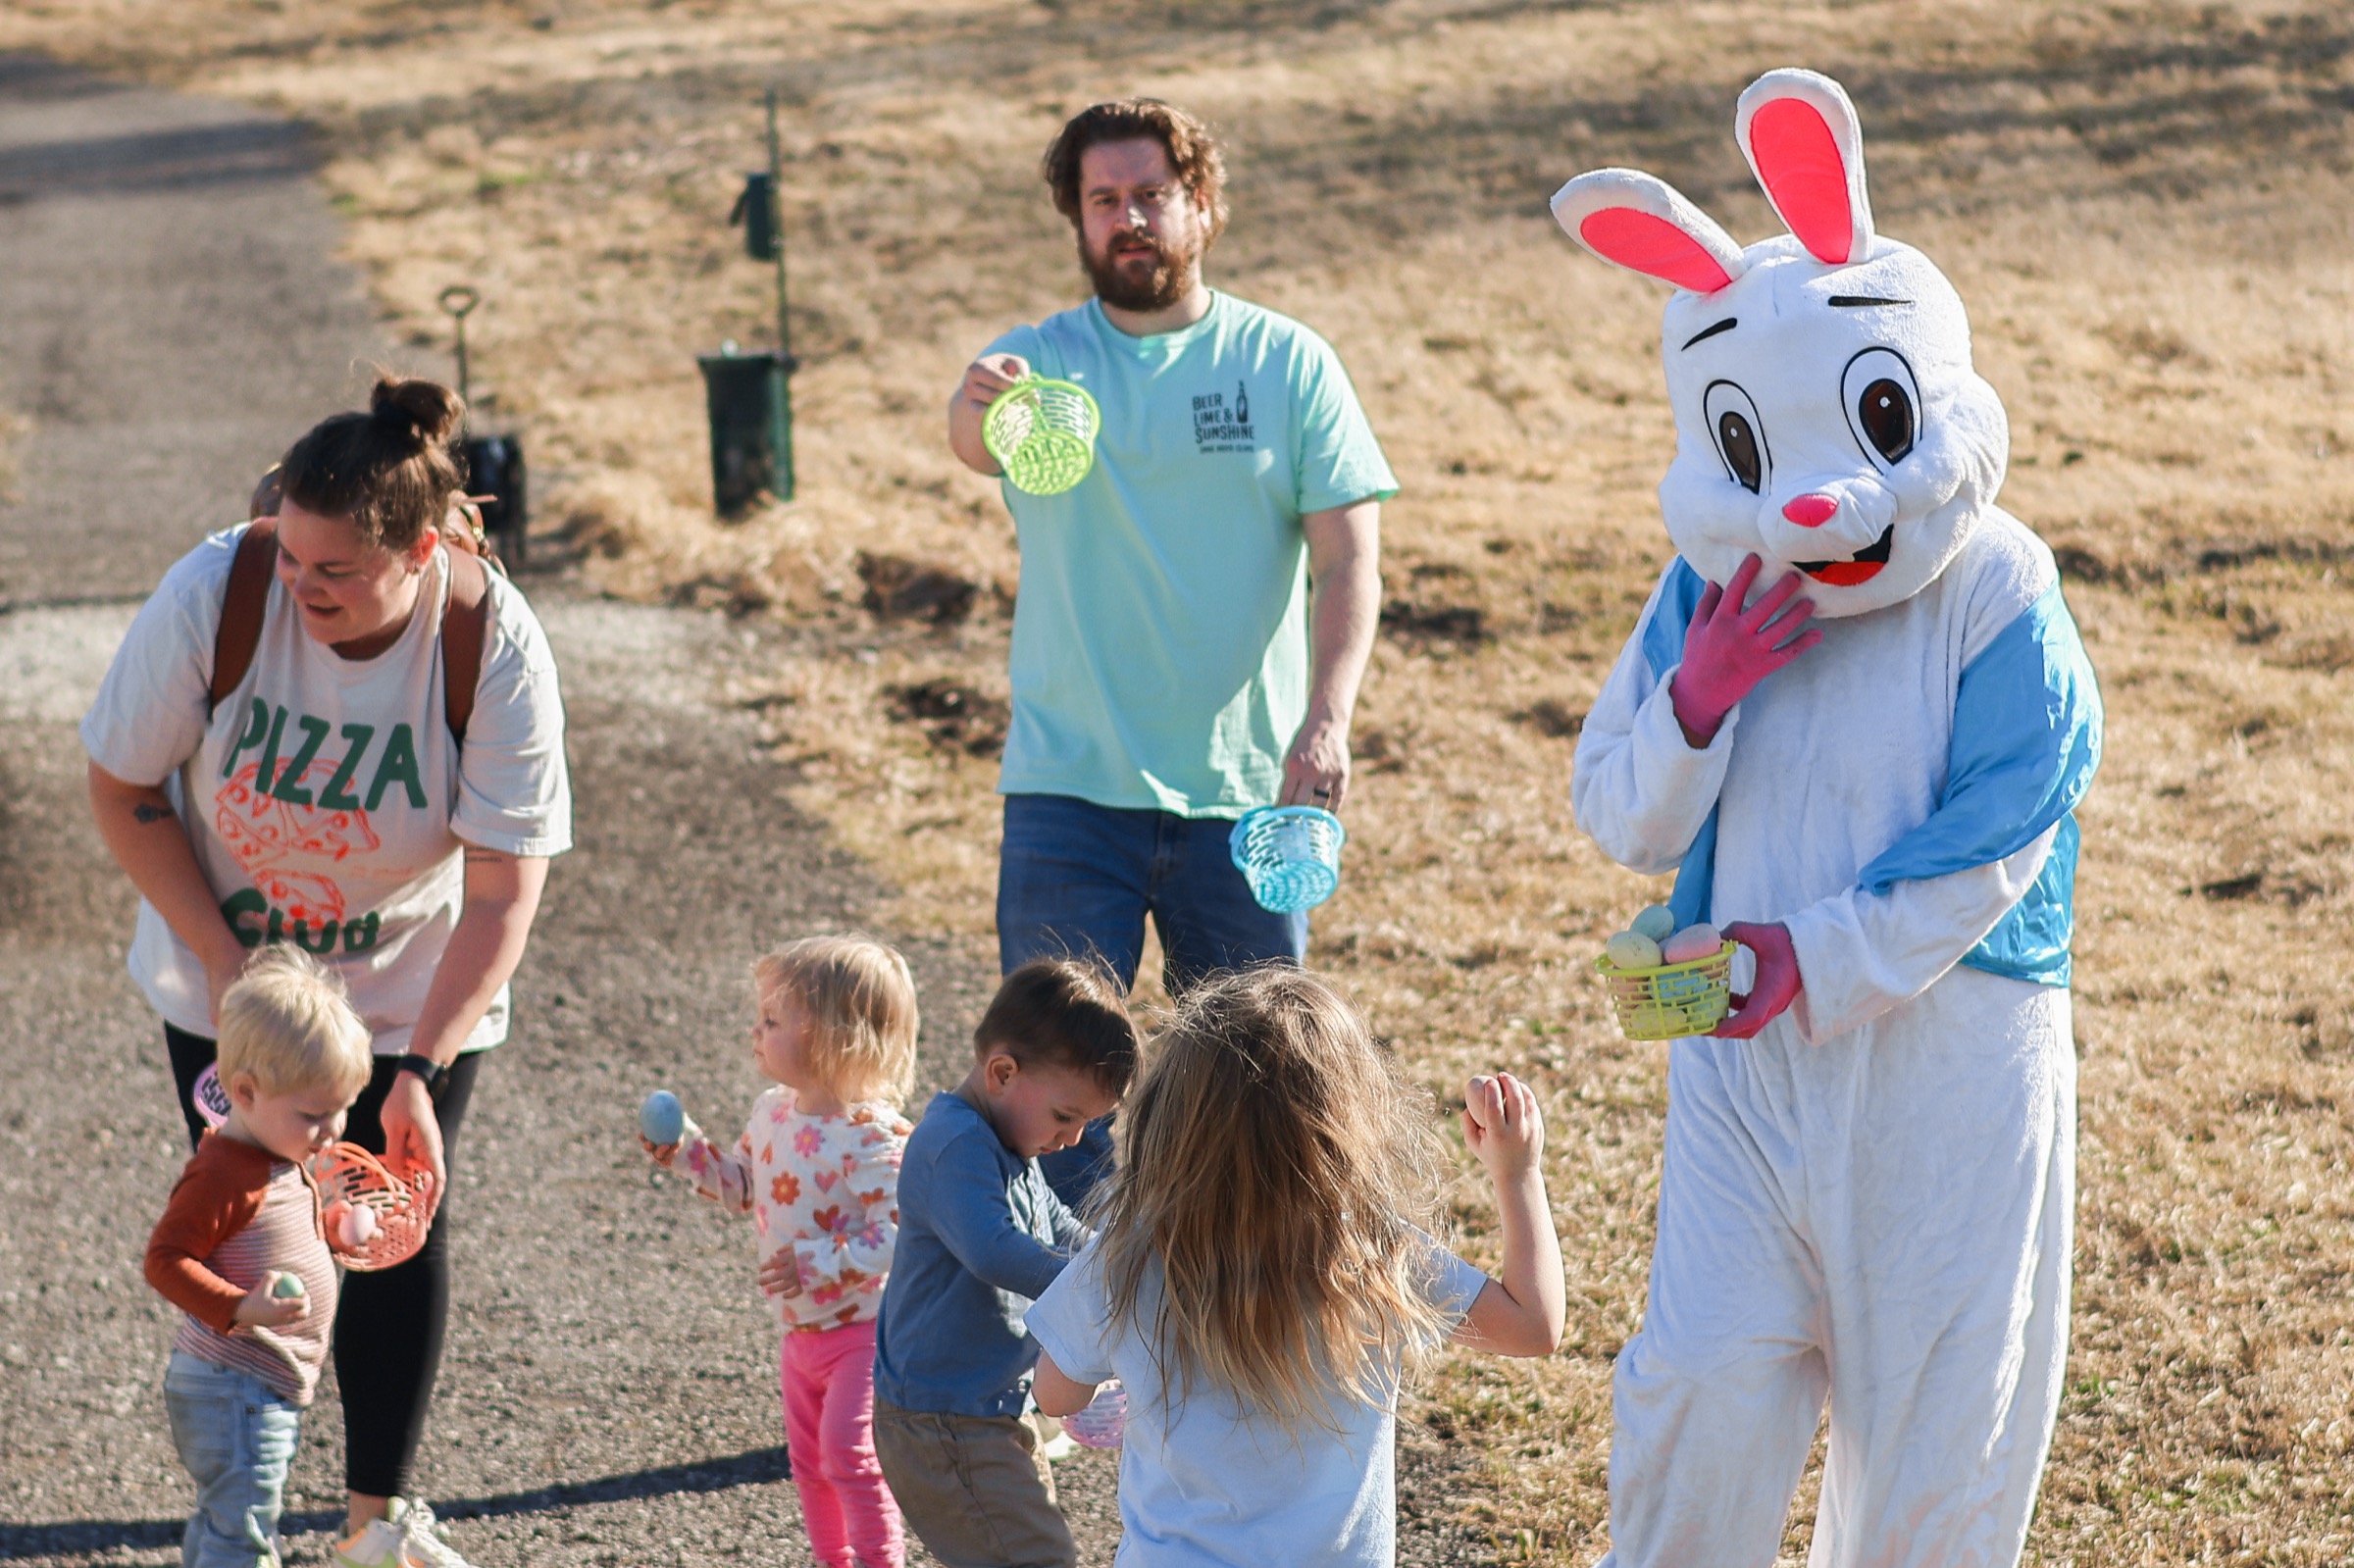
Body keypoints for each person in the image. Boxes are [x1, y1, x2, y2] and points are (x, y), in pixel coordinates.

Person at [83, 374, 573, 1568]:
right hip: (233, 977)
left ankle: (373, 1526)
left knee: (390, 1225)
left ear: (418, 550)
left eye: (334, 572)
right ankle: (240, 1511)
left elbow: (506, 884)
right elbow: (123, 786)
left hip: (407, 983)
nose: (302, 587)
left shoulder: (489, 640)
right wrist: (226, 967)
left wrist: (419, 1070)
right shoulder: (220, 589)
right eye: (290, 558)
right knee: (260, 1231)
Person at [947, 98, 1397, 1200]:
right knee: (1051, 1106)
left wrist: (1328, 719)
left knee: (1259, 1101)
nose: (1129, 219)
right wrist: (978, 401)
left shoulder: (1287, 363)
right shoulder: (1040, 365)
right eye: (1105, 200)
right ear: (1078, 218)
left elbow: (1350, 564)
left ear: (1201, 204)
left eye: (1152, 194)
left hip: (1247, 797)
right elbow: (971, 437)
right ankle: (1081, 1352)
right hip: (1068, 789)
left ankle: (1247, 1348)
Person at [1026, 966, 1565, 1567]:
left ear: (1169, 1121)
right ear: (1347, 1127)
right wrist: (1516, 1173)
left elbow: (1054, 1395)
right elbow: (1532, 1326)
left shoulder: (1131, 1255)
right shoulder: (1370, 1252)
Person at [642, 936, 921, 1568]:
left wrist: (818, 1262)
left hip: (864, 1331)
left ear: (831, 1038)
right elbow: (744, 1187)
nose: (755, 1030)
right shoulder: (773, 1113)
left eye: (772, 1020)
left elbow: (903, 1234)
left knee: (850, 1456)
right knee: (808, 1464)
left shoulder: (871, 1137)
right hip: (800, 1333)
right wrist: (688, 1152)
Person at [870, 958, 1141, 1568]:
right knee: (1035, 1557)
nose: (1072, 1140)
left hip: (985, 1407)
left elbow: (1056, 1226)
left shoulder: (1011, 1143)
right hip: (942, 1418)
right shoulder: (955, 1144)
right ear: (1002, 1072)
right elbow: (993, 1250)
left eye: (1088, 1125)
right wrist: (1095, 1288)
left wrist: (1117, 1258)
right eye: (1066, 1117)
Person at [144, 947, 376, 1568]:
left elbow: (276, 1235)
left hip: (250, 1388)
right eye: (315, 1113)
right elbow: (164, 1259)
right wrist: (239, 1307)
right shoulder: (224, 1175)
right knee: (242, 1532)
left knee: (227, 1522)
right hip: (233, 1388)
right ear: (243, 1091)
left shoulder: (277, 1153)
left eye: (341, 1107)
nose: (333, 1128)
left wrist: (332, 1232)